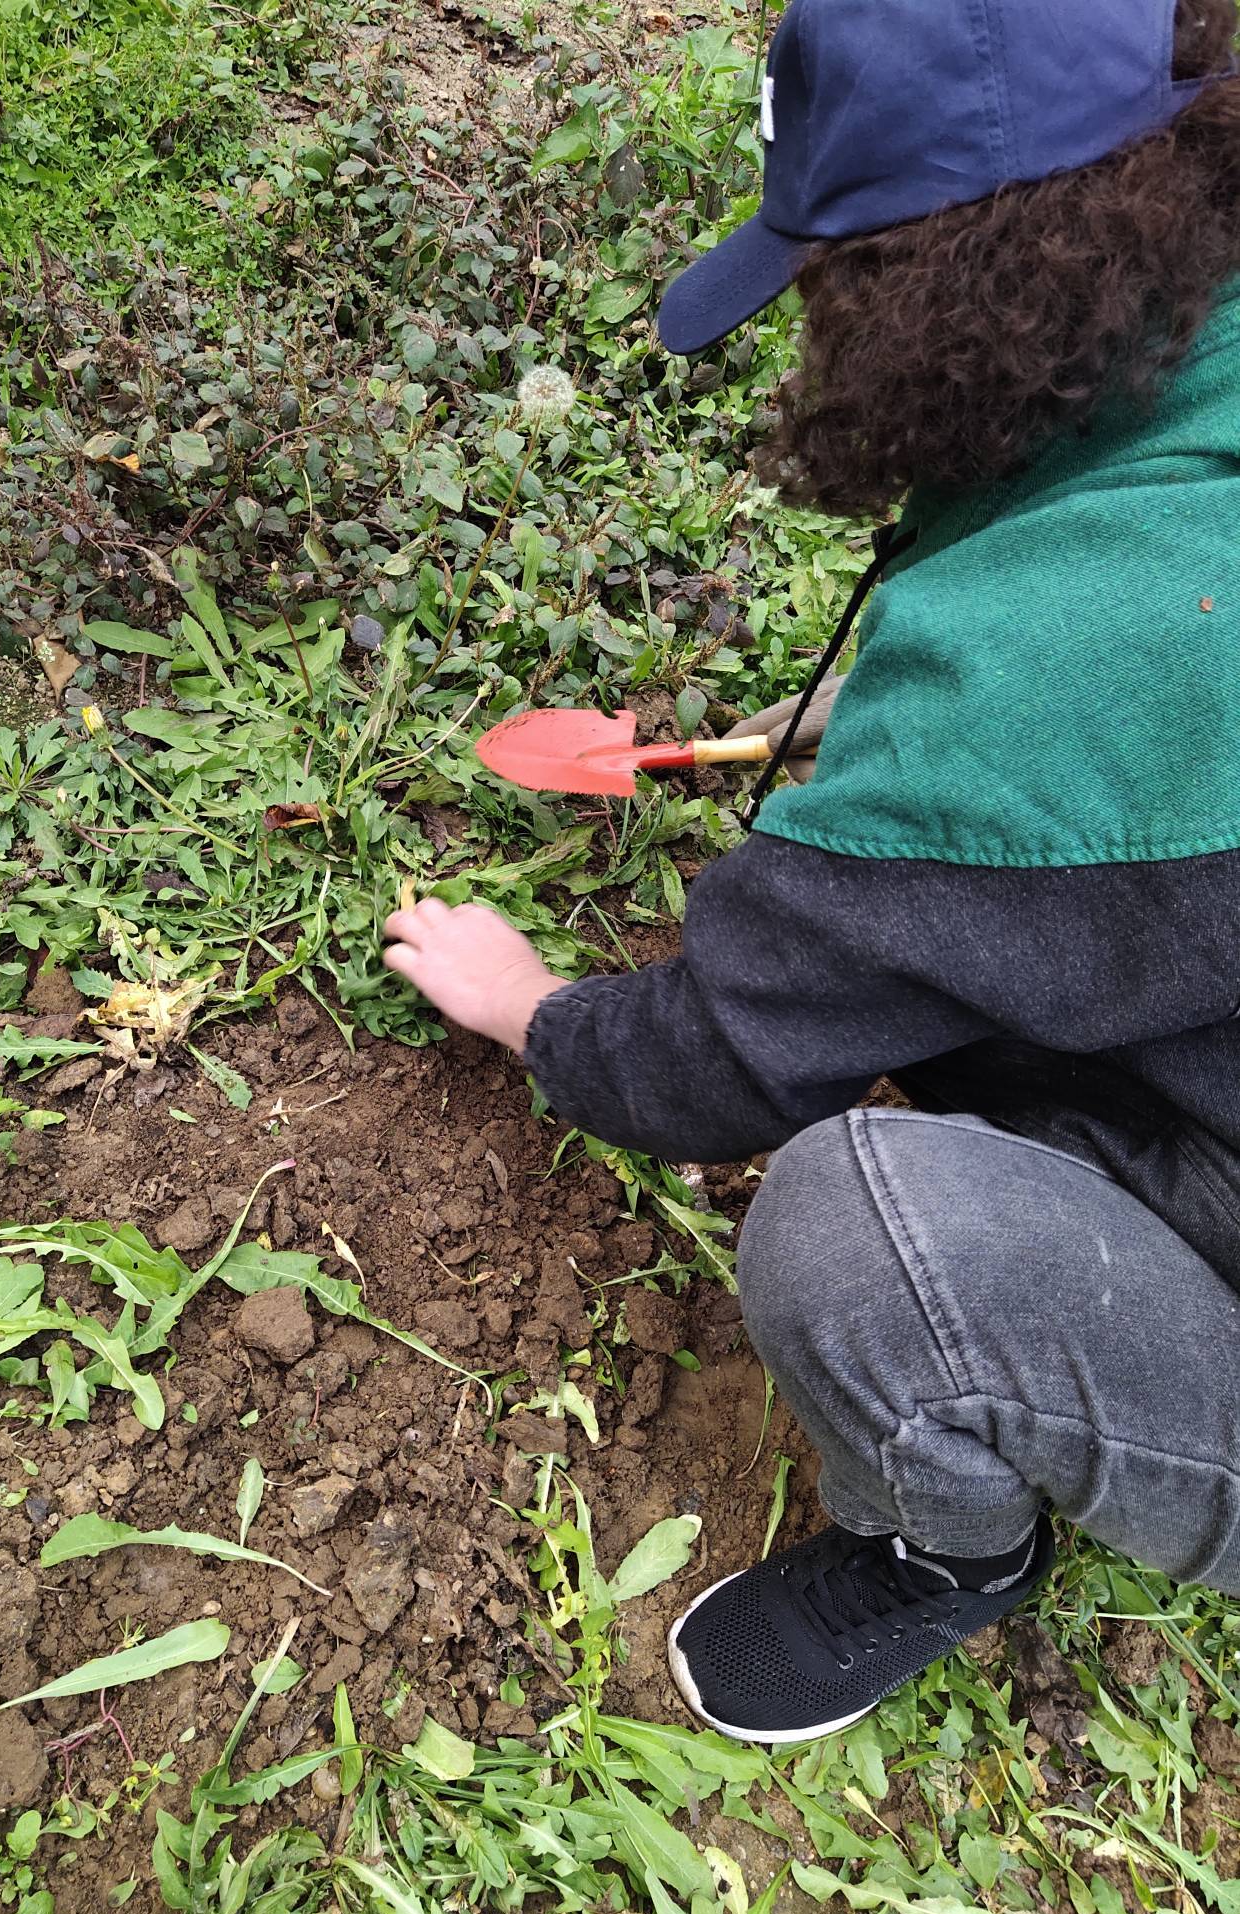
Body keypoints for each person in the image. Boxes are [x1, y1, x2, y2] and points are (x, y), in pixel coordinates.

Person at [383, 0, 1240, 1745]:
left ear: (961, 284)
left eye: (838, 285)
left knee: (861, 1227)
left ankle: (951, 1557)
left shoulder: (1059, 680)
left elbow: (717, 1061)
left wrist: (536, 1008)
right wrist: (888, 716)